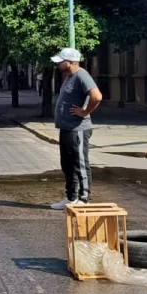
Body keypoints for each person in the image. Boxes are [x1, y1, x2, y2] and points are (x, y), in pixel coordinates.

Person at [50, 48, 103, 210]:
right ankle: (71, 197)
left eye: (61, 61)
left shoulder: (82, 75)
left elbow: (97, 96)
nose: (58, 64)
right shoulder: (69, 77)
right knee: (67, 165)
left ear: (71, 62)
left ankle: (84, 198)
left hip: (78, 129)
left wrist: (85, 111)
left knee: (80, 164)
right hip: (66, 128)